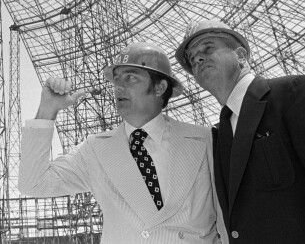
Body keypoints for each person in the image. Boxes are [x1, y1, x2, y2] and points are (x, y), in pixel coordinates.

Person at [19, 42, 222, 243]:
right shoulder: (95, 150)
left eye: (131, 77)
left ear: (160, 87)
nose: (119, 86)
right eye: (116, 79)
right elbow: (34, 184)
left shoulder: (206, 140)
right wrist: (47, 110)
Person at [175, 19, 305, 243]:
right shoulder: (219, 134)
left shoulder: (292, 93)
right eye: (193, 59)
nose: (198, 59)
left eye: (208, 48)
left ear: (241, 55)